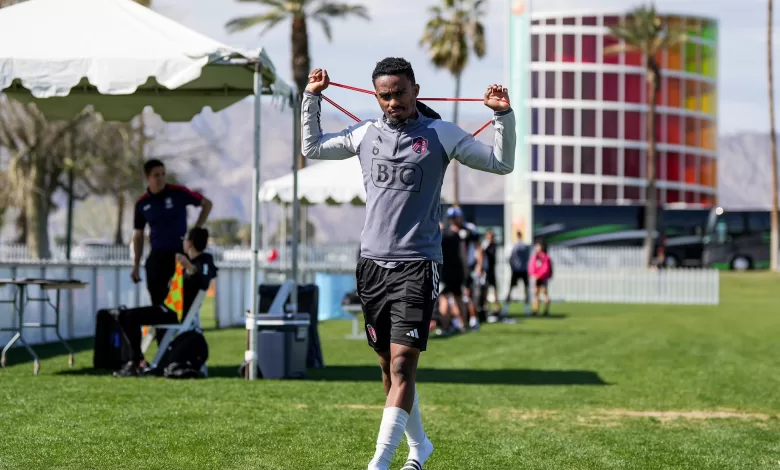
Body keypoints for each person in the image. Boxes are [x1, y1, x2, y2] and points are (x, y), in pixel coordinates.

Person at [301, 57, 515, 470]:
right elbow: (311, 147)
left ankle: (378, 462)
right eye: (385, 95)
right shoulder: (364, 133)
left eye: (400, 93)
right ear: (376, 96)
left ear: (415, 89)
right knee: (389, 369)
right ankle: (420, 448)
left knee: (403, 363)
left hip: (418, 264)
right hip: (371, 265)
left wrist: (503, 116)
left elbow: (500, 163)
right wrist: (312, 98)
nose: (393, 102)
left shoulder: (440, 134)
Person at [114, 227, 218, 377]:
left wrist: (187, 266)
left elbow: (203, 280)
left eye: (185, 240)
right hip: (169, 309)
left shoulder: (203, 261)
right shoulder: (192, 261)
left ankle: (136, 362)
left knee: (127, 316)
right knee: (126, 314)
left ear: (190, 243)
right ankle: (137, 361)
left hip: (174, 312)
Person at [132, 159, 213, 310]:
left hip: (180, 255)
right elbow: (138, 235)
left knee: (181, 302)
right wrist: (136, 265)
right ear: (147, 178)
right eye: (156, 175)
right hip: (157, 256)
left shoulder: (178, 192)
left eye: (163, 174)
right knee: (158, 303)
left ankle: (186, 331)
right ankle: (161, 332)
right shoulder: (142, 204)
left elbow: (207, 204)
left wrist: (196, 229)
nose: (161, 178)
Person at [447, 207, 482, 331]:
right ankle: (459, 322)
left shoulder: (469, 229)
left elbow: (478, 247)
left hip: (468, 267)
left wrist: (479, 265)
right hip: (454, 268)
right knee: (454, 297)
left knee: (468, 294)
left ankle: (473, 319)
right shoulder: (449, 231)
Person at [437, 220, 467, 334]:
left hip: (445, 271)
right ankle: (463, 324)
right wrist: (465, 270)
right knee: (458, 297)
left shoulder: (440, 236)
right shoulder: (455, 235)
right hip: (457, 270)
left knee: (444, 298)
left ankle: (445, 326)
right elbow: (462, 253)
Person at [501, 231, 531, 317]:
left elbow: (510, 258)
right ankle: (527, 308)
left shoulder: (514, 246)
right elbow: (527, 257)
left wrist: (513, 267)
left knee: (511, 290)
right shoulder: (525, 246)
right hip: (523, 270)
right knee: (525, 289)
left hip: (516, 270)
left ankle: (506, 307)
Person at [478, 230, 500, 317]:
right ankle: (485, 306)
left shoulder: (493, 246)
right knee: (485, 289)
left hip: (492, 270)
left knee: (494, 289)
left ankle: (496, 307)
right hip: (486, 270)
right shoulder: (485, 245)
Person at [528, 240, 553, 316]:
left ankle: (546, 311)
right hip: (536, 278)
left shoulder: (545, 257)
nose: (537, 247)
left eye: (538, 246)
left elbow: (546, 269)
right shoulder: (535, 256)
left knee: (544, 294)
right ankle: (536, 310)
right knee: (536, 294)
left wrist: (539, 275)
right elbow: (531, 267)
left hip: (542, 278)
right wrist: (533, 275)